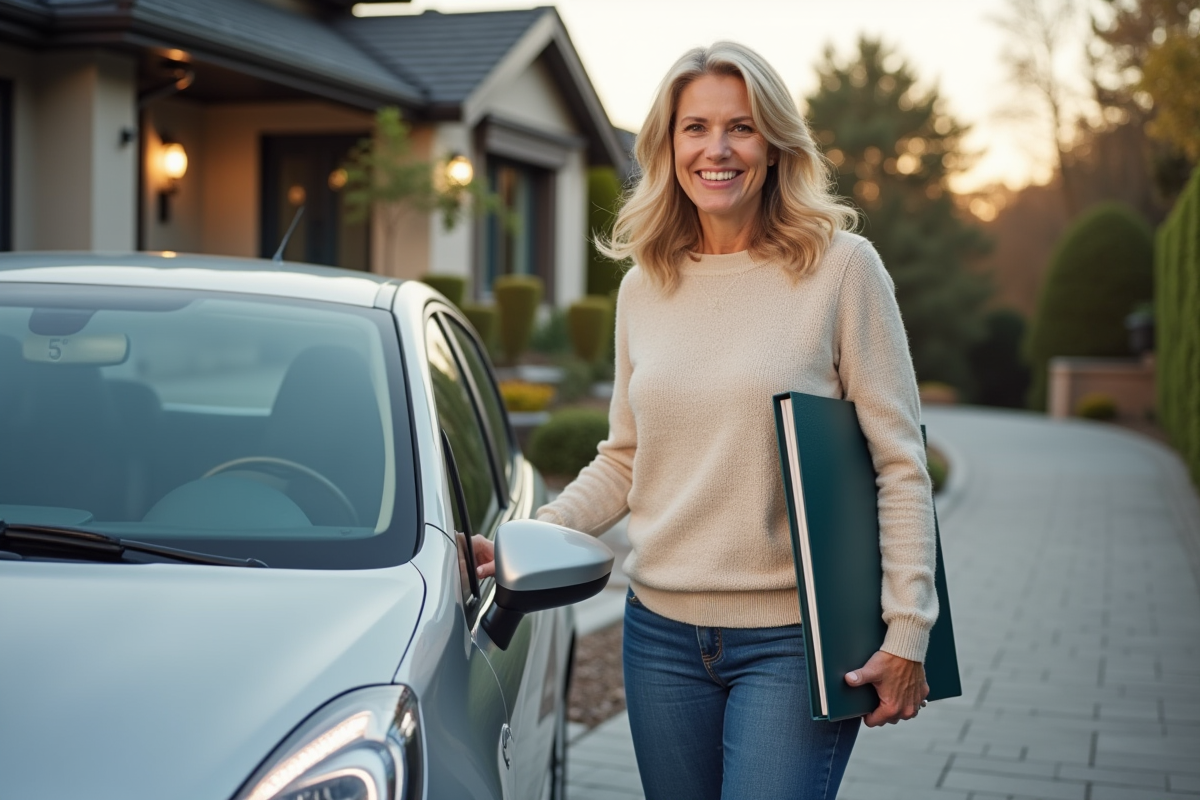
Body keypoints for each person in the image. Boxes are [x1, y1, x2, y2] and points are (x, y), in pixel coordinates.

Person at [474, 41, 937, 800]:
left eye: (741, 128)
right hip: (658, 637)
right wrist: (528, 539)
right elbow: (626, 457)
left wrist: (907, 626)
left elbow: (898, 460)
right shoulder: (644, 286)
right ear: (668, 144)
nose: (716, 150)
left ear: (776, 146)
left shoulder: (843, 269)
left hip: (796, 640)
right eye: (695, 128)